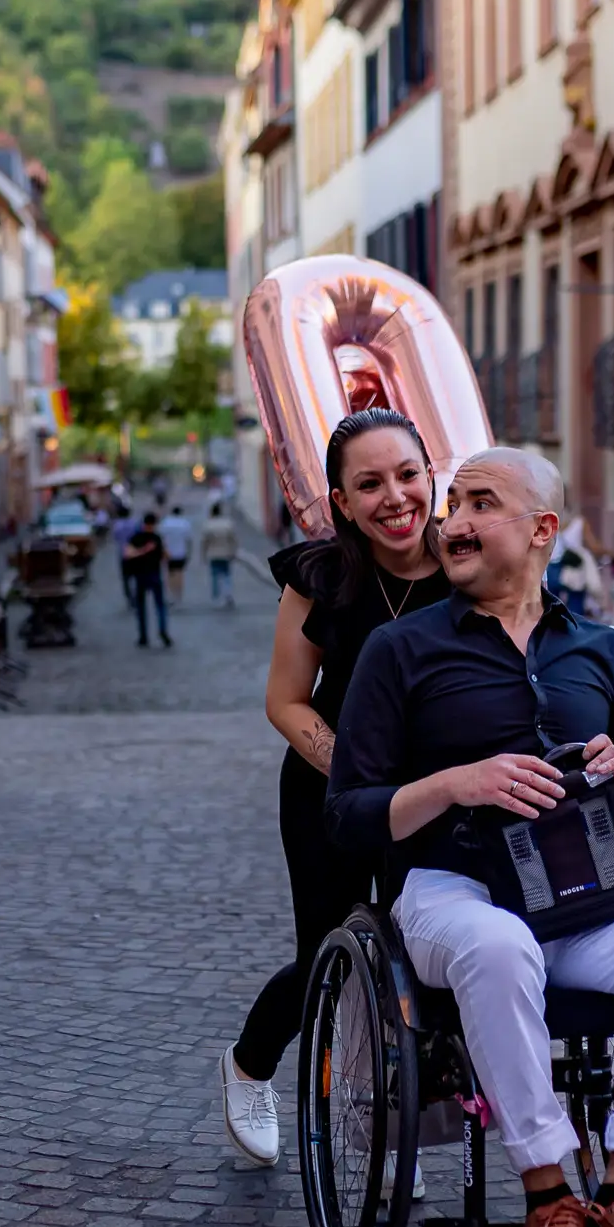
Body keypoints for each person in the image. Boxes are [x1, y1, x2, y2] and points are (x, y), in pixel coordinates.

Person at [326, 447, 614, 1227]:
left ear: (542, 529)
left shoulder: (607, 651)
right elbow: (347, 815)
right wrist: (454, 783)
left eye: (480, 503)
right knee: (496, 949)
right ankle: (550, 1192)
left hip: (593, 905)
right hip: (457, 895)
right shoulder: (398, 650)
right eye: (452, 504)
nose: (453, 521)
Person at [219, 409, 451, 1167]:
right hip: (330, 791)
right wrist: (353, 771)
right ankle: (250, 1066)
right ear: (341, 501)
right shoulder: (319, 577)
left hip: (442, 794)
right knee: (330, 952)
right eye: (369, 484)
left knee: (427, 953)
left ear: (431, 474)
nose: (395, 497)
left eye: (407, 475)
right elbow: (285, 700)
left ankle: (394, 1127)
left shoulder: (469, 562)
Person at [125, 512, 172, 648]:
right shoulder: (156, 538)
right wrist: (147, 550)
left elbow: (127, 554)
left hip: (140, 575)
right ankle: (162, 630)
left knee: (142, 607)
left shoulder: (135, 538)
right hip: (153, 574)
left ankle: (143, 635)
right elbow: (166, 556)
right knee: (160, 606)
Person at [202, 501, 238, 607]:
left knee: (214, 576)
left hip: (213, 554)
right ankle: (227, 595)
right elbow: (233, 539)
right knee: (227, 575)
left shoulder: (208, 525)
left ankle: (216, 597)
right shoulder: (228, 524)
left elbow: (205, 542)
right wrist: (233, 551)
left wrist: (203, 554)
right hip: (225, 553)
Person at [158, 504, 192, 608]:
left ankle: (170, 595)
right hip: (180, 552)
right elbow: (189, 540)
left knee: (169, 575)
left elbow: (160, 538)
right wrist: (189, 553)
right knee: (179, 575)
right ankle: (178, 596)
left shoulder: (165, 523)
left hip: (168, 552)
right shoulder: (184, 523)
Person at [112, 497, 142, 609]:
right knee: (137, 576)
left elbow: (115, 538)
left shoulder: (117, 525)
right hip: (135, 553)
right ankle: (138, 595)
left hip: (123, 554)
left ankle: (129, 597)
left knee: (125, 578)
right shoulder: (134, 523)